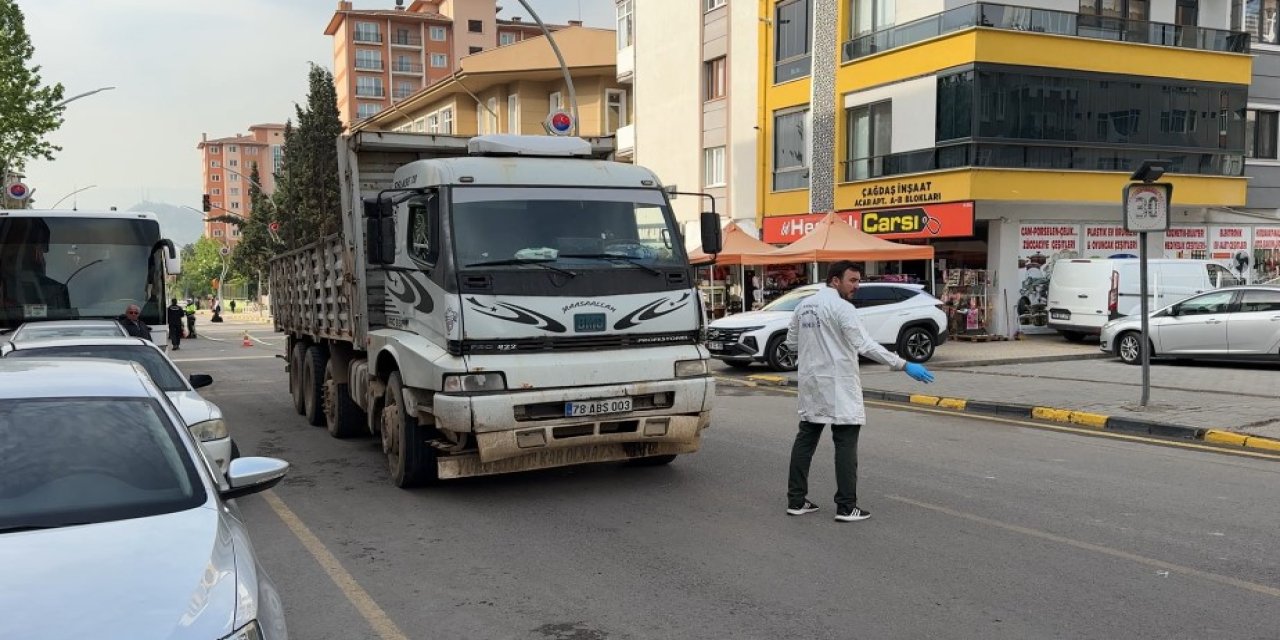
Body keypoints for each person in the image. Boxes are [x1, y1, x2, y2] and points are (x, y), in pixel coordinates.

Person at [784, 261, 935, 523]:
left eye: (858, 281)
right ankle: (846, 506)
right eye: (852, 280)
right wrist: (903, 364)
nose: (857, 286)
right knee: (845, 443)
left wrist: (816, 351)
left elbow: (791, 343)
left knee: (806, 440)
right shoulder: (842, 308)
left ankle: (796, 500)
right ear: (835, 281)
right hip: (839, 383)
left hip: (812, 383)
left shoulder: (803, 306)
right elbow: (864, 344)